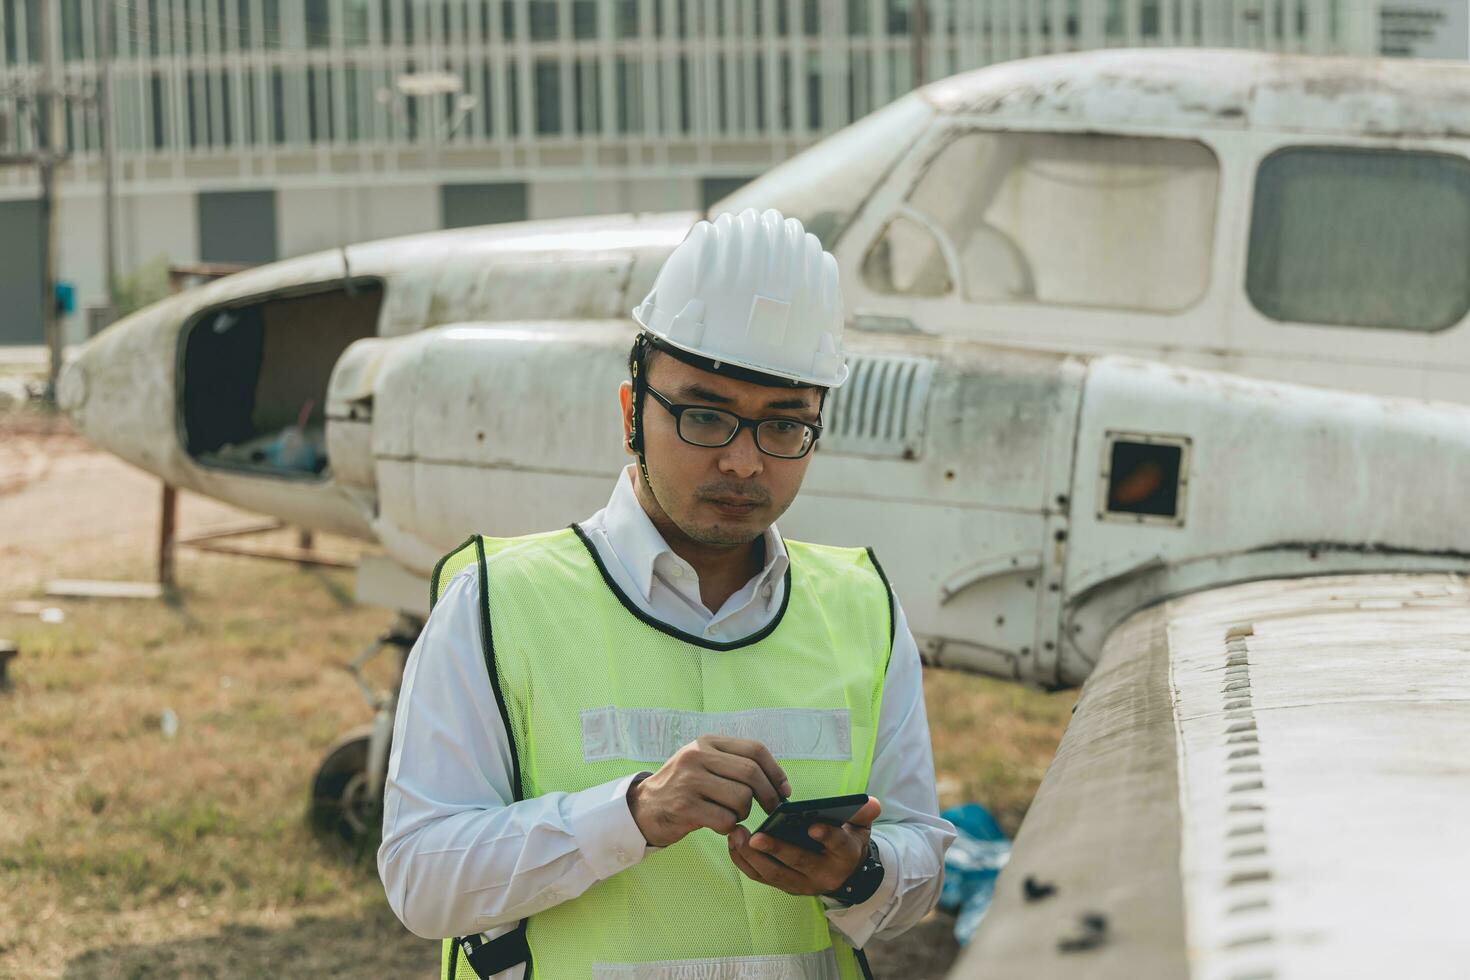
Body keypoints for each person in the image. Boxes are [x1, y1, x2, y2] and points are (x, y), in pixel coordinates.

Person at [379, 208, 956, 980]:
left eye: (784, 427)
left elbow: (919, 862)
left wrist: (860, 872)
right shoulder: (498, 604)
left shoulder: (861, 608)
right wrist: (630, 815)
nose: (746, 464)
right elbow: (422, 880)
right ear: (631, 415)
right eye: (706, 415)